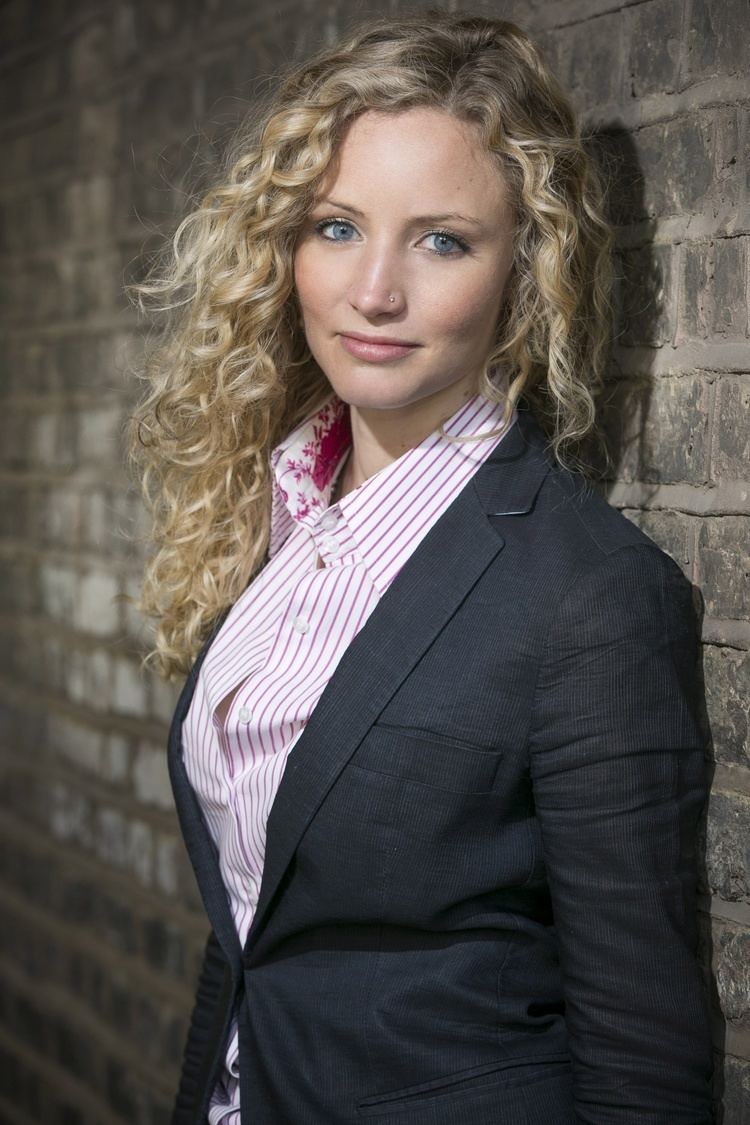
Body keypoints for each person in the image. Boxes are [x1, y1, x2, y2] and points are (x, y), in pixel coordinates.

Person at [128, 10, 714, 1124]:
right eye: (337, 227)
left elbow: (642, 1047)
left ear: (523, 273)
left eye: (442, 240)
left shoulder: (590, 596)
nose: (374, 291)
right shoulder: (280, 522)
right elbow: (256, 924)